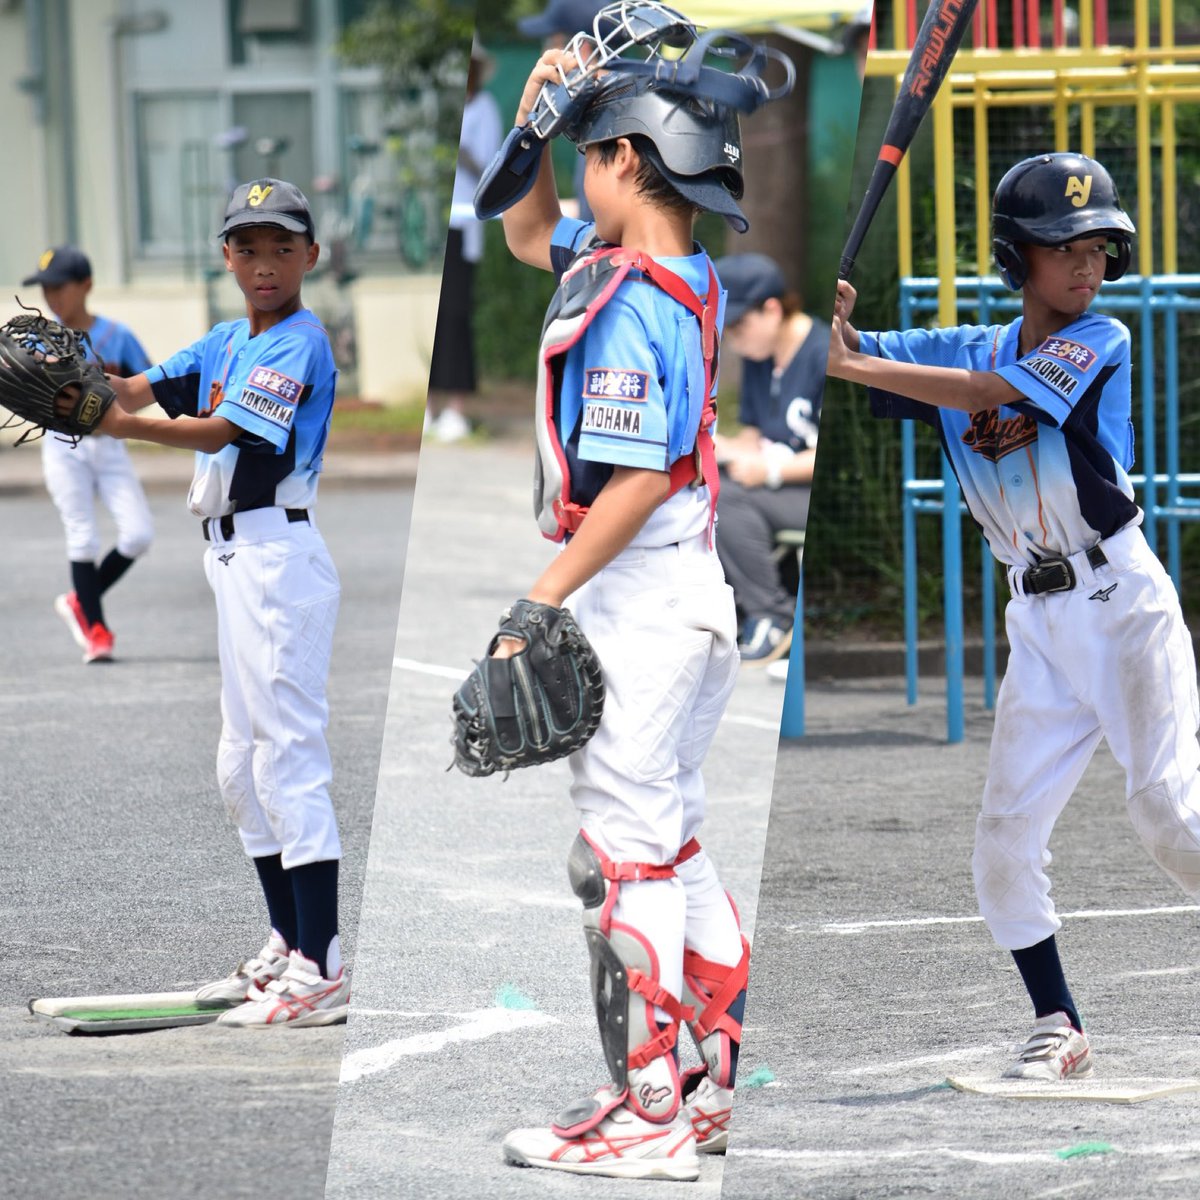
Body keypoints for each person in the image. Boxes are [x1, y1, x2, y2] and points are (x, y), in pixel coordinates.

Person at [486, 21, 789, 1180]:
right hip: (690, 596)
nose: (582, 175)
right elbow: (527, 230)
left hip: (642, 601)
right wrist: (538, 119)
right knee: (673, 839)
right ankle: (711, 1088)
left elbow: (637, 478)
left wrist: (535, 603)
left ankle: (648, 1113)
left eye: (593, 152)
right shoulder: (673, 265)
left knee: (623, 854)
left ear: (630, 159)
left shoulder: (625, 296)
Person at [827, 152, 1200, 1080]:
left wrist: (851, 357)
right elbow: (850, 356)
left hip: (1120, 605)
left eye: (1098, 247)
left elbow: (989, 397)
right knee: (1002, 843)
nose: (1086, 265)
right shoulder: (960, 349)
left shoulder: (1100, 338)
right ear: (1014, 257)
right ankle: (1058, 1022)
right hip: (1036, 624)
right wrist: (824, 325)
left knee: (1165, 812)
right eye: (1062, 247)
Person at [95, 178, 348, 1027]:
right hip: (235, 561)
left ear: (311, 256)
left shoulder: (299, 343)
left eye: (283, 246)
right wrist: (79, 385)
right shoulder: (228, 338)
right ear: (227, 257)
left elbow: (222, 432)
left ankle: (323, 967)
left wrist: (119, 426)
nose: (265, 263)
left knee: (287, 760)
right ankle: (288, 944)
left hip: (279, 558)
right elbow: (134, 388)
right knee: (240, 766)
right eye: (248, 246)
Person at [22, 246, 155, 664]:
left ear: (87, 285)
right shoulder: (37, 339)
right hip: (63, 448)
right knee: (83, 536)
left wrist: (112, 411)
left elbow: (147, 386)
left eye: (59, 286)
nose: (51, 296)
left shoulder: (118, 336)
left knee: (138, 534)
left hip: (110, 446)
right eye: (45, 288)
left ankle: (79, 600)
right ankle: (97, 630)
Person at [714, 253, 827, 663]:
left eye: (738, 327)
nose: (733, 340)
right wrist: (719, 449)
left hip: (808, 493)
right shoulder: (760, 358)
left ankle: (773, 614)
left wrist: (771, 470)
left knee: (728, 499)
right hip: (775, 488)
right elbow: (755, 437)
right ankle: (733, 608)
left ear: (773, 309)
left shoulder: (822, 353)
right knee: (705, 485)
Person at [426, 37, 503, 442]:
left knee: (455, 316)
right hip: (437, 227)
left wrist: (463, 153)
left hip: (464, 225)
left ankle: (456, 407)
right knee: (435, 317)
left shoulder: (484, 108)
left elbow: (490, 171)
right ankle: (430, 406)